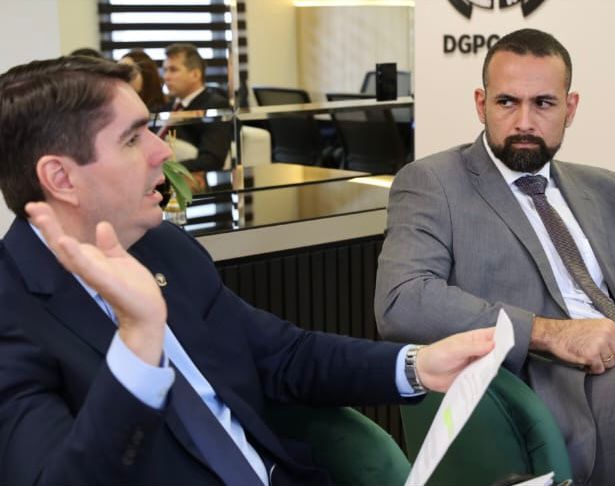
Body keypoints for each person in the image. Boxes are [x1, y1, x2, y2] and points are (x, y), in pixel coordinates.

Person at [0, 55, 496, 486]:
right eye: (132, 138)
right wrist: (138, 344)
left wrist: (416, 365)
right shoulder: (11, 312)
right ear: (61, 177)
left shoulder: (162, 246)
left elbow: (280, 354)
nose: (162, 150)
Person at [375, 28, 615, 486]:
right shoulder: (434, 183)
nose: (524, 121)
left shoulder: (604, 187)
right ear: (481, 104)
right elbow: (402, 300)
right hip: (563, 404)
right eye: (507, 102)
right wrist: (548, 333)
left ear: (570, 108)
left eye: (543, 103)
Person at [162, 42, 232, 172]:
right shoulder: (165, 106)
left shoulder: (215, 106)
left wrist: (165, 171)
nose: (166, 77)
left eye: (173, 70)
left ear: (195, 74)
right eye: (165, 70)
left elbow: (212, 159)